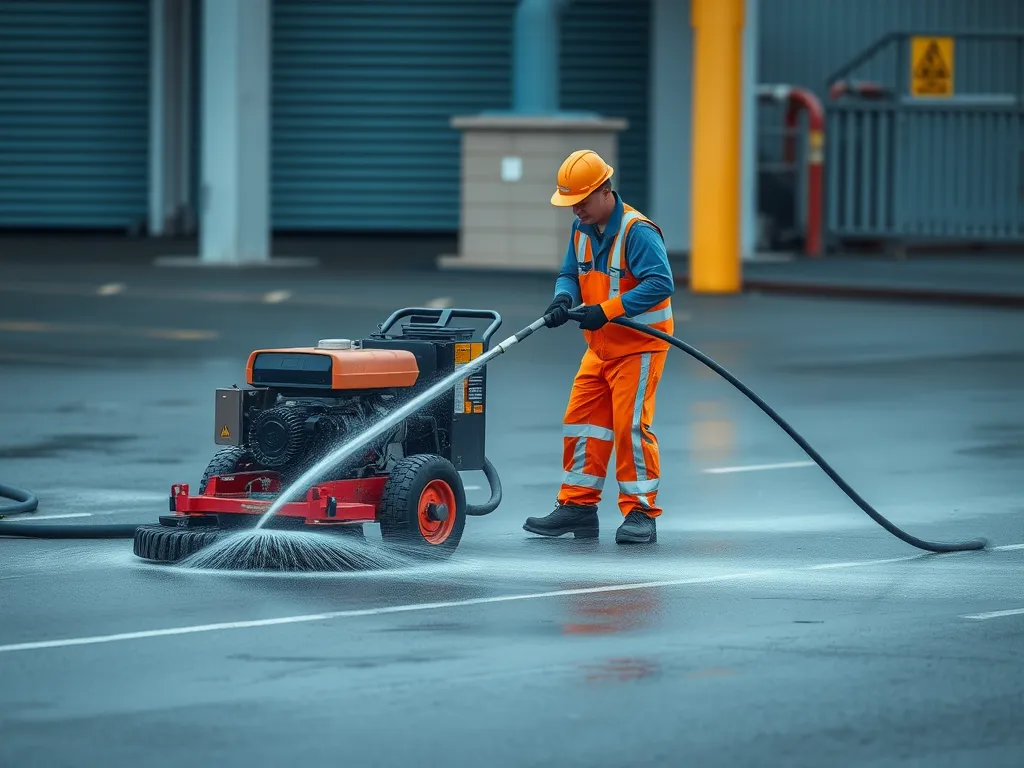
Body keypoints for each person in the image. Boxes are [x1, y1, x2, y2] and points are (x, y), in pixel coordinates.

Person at [523, 149, 675, 545]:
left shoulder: (636, 231)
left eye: (582, 201)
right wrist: (562, 299)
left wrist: (606, 310)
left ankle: (641, 512)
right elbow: (569, 273)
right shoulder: (581, 230)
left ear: (606, 191)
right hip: (600, 347)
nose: (576, 210)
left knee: (630, 428)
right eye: (571, 204)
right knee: (582, 421)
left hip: (639, 345)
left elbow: (660, 283)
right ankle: (578, 507)